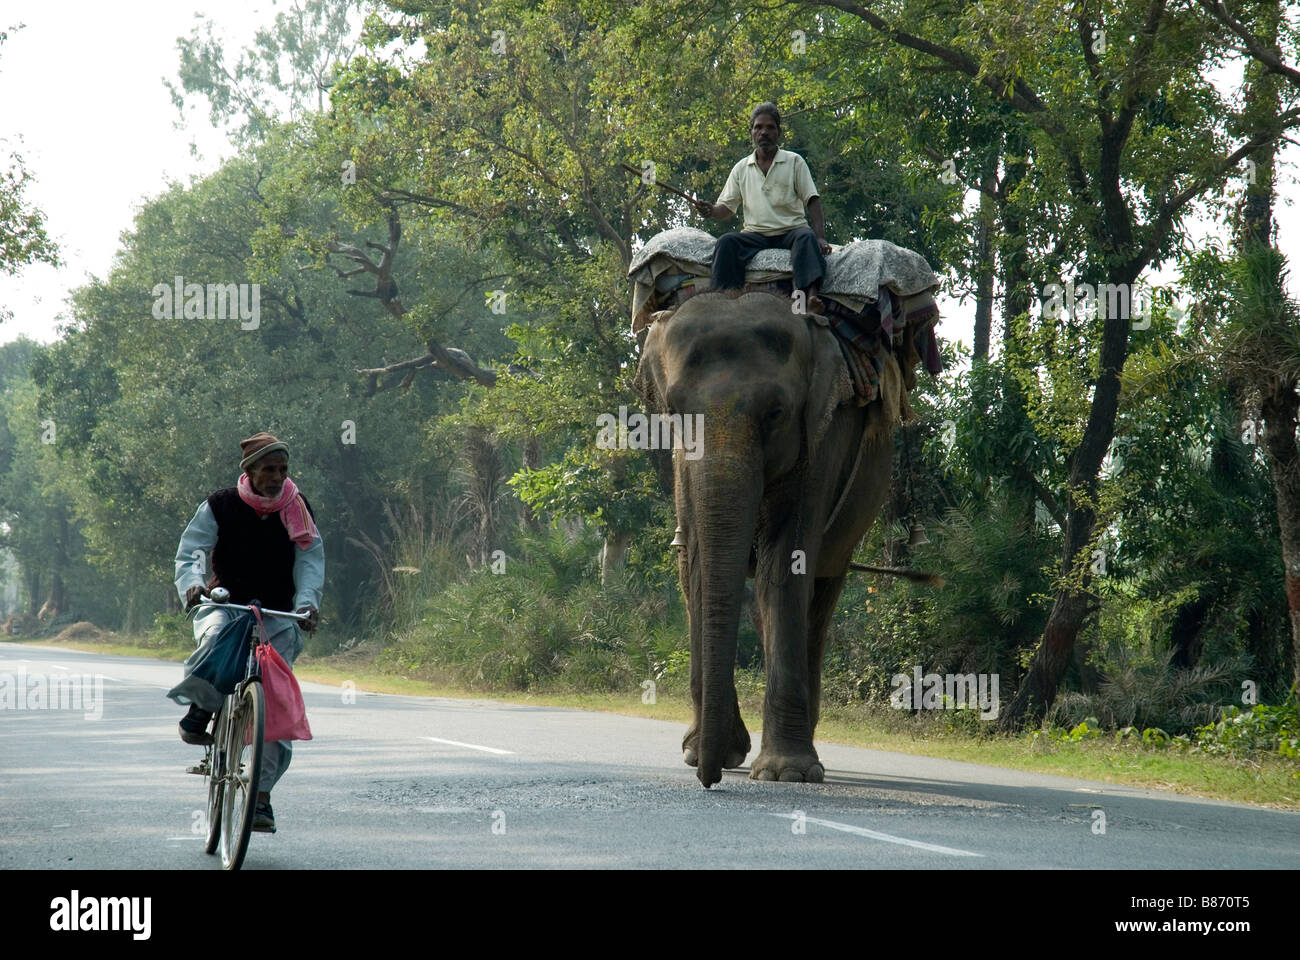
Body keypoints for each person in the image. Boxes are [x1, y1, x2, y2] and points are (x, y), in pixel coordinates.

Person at [173, 432, 324, 834]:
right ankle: (202, 706)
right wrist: (192, 583)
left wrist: (307, 603)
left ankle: (261, 797)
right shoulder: (219, 505)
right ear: (250, 471)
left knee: (275, 697)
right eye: (269, 469)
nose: (277, 478)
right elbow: (192, 551)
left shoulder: (297, 507)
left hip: (277, 612)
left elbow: (310, 559)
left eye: (283, 470)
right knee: (217, 638)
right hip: (225, 603)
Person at [694, 102, 832, 315]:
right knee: (726, 242)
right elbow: (726, 209)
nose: (763, 132)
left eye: (769, 127)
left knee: (807, 238)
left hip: (791, 231)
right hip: (755, 234)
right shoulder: (741, 168)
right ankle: (723, 303)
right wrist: (711, 210)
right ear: (751, 133)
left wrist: (820, 237)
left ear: (778, 132)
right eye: (758, 127)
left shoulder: (794, 161)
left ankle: (809, 299)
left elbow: (812, 200)